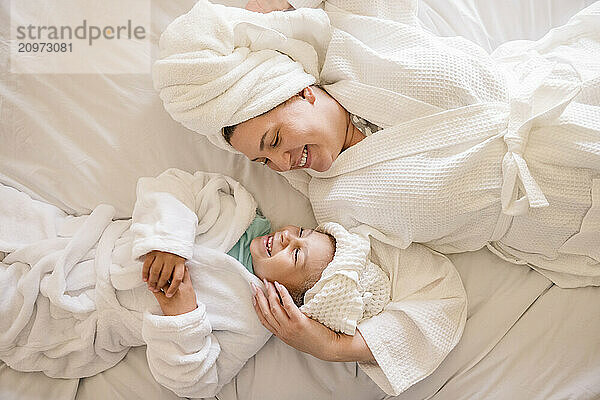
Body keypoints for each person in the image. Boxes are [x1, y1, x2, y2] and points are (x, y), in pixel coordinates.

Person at [153, 0, 600, 290]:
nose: (282, 162)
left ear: (300, 91)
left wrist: (267, 18)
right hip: (565, 217)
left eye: (274, 140)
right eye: (264, 161)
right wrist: (329, 346)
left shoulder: (359, 44)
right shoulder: (338, 209)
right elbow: (419, 290)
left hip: (577, 98)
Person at [0, 168, 466, 397]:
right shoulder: (237, 211)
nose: (286, 237)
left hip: (73, 315)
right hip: (72, 239)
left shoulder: (251, 320)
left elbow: (196, 383)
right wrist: (169, 240)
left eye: (296, 255)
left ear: (297, 298)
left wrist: (179, 313)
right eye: (301, 233)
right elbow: (172, 186)